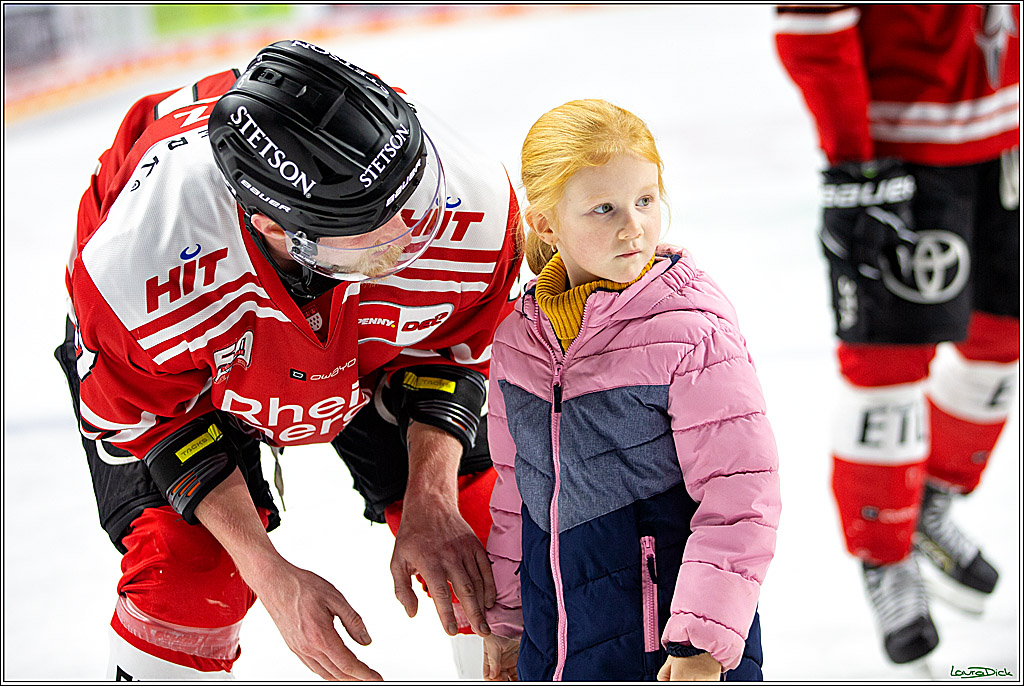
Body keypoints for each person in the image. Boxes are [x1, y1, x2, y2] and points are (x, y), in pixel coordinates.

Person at [54, 39, 524, 680]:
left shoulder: (470, 198)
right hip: (200, 358)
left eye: (413, 204)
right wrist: (269, 574)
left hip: (368, 343)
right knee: (188, 577)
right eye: (370, 237)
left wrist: (433, 496)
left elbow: (462, 341)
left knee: (494, 544)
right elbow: (152, 418)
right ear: (277, 228)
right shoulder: (136, 267)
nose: (415, 237)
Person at [478, 99, 782, 681]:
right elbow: (514, 496)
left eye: (645, 200)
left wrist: (701, 642)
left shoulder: (689, 331)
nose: (633, 225)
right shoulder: (519, 343)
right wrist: (510, 621)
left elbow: (740, 494)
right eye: (603, 209)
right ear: (546, 223)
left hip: (671, 653)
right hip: (556, 649)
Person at [775, 4, 1020, 665]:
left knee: (1002, 346)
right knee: (887, 369)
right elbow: (812, 32)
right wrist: (855, 162)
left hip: (1007, 145)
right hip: (902, 159)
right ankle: (885, 553)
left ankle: (929, 507)